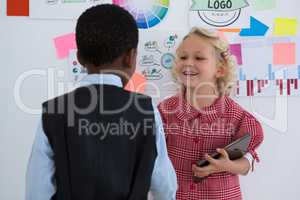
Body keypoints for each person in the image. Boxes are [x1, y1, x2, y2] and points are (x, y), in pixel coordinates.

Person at [25, 4, 177, 200]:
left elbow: (37, 191)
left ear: (79, 57)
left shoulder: (53, 112)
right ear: (130, 57)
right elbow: (164, 186)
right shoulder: (147, 111)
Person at [158, 27, 264, 200]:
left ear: (220, 70)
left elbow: (248, 163)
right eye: (183, 57)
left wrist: (227, 165)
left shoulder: (237, 116)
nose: (188, 63)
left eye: (199, 58)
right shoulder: (165, 111)